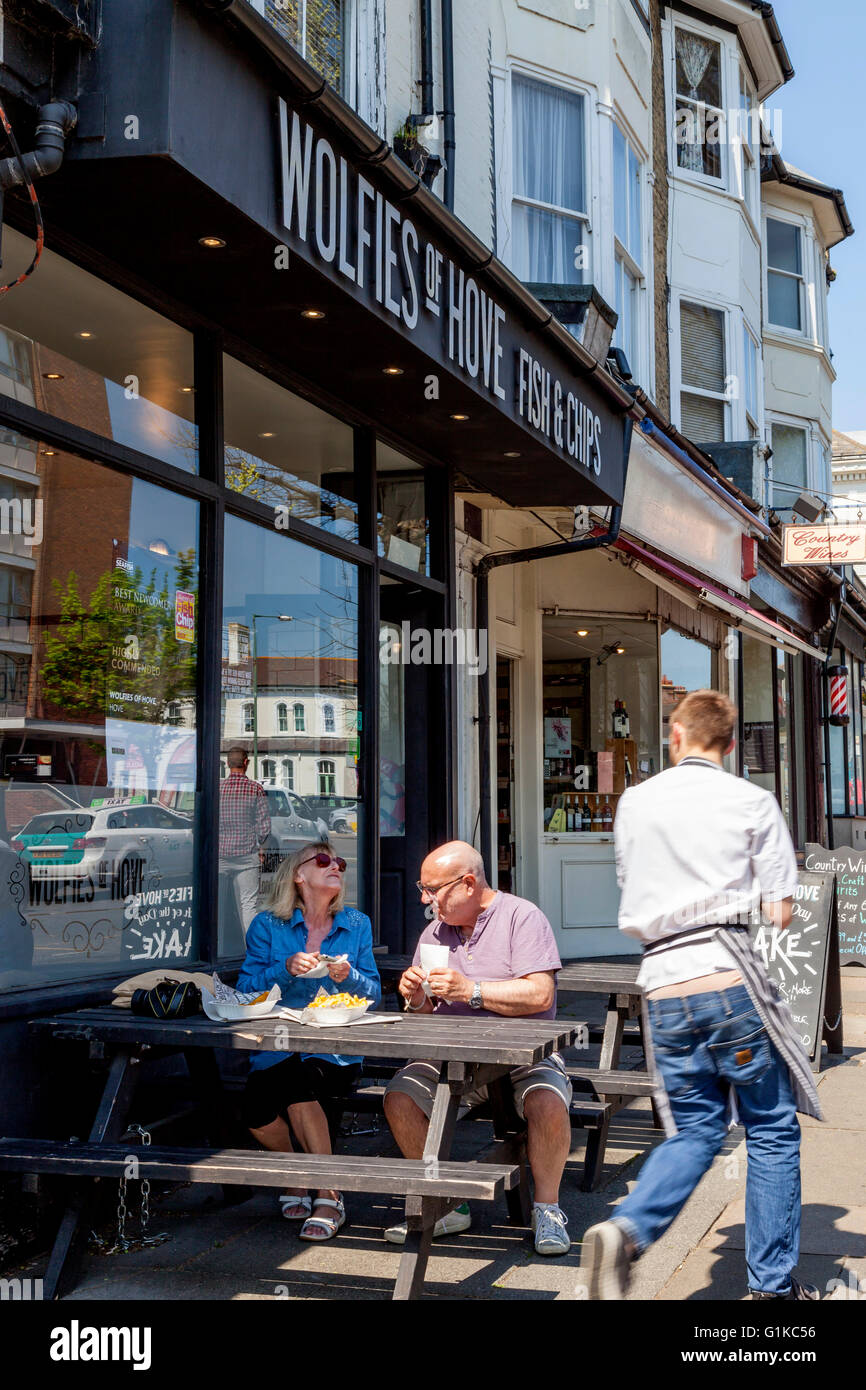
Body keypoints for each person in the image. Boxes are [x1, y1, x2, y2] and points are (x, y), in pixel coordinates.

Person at [579, 690, 822, 1300]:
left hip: (662, 981)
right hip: (727, 972)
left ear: (675, 736)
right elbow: (782, 912)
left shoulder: (635, 801)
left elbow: (631, 885)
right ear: (731, 745)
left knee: (694, 1130)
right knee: (769, 1127)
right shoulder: (751, 800)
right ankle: (771, 1288)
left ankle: (629, 1229)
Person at [384, 840, 573, 1256]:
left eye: (432, 890)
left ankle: (548, 1208)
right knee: (399, 1098)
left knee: (548, 1103)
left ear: (468, 884)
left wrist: (472, 991)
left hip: (524, 1056)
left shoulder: (522, 917)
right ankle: (449, 1204)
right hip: (452, 1058)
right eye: (423, 887)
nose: (424, 899)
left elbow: (540, 994)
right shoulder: (434, 931)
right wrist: (416, 997)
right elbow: (423, 1017)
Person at [237, 841, 381, 1241]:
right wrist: (284, 969)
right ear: (298, 876)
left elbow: (375, 994)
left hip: (335, 1049)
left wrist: (347, 977)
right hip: (277, 1044)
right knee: (253, 1111)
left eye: (339, 862)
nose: (335, 865)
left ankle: (328, 1193)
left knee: (299, 1084)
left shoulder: (356, 924)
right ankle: (297, 1173)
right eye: (322, 860)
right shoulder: (269, 925)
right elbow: (247, 990)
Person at [219, 746, 271, 936]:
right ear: (246, 763)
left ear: (227, 764)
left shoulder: (218, 788)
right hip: (247, 856)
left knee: (216, 906)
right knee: (248, 906)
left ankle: (215, 951)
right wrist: (262, 848)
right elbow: (264, 827)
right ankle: (250, 951)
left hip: (220, 855)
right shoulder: (255, 789)